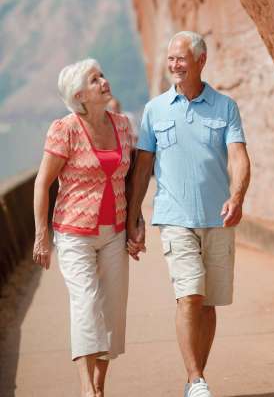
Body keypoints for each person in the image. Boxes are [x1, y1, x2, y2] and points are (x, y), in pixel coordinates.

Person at [127, 31, 251, 397]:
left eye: (180, 59)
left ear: (201, 60)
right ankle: (196, 379)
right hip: (174, 217)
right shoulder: (155, 109)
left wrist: (238, 196)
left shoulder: (225, 106)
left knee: (209, 304)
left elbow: (239, 156)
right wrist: (134, 215)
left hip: (218, 218)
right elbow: (143, 167)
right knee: (190, 296)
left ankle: (195, 380)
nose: (174, 65)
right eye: (170, 59)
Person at [33, 58, 133, 397]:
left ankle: (101, 387)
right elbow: (42, 183)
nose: (104, 81)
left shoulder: (122, 126)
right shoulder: (66, 129)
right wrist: (41, 236)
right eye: (95, 79)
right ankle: (86, 389)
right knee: (86, 303)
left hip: (115, 231)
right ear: (80, 95)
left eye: (102, 75)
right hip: (74, 232)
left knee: (113, 309)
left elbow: (128, 179)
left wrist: (138, 222)